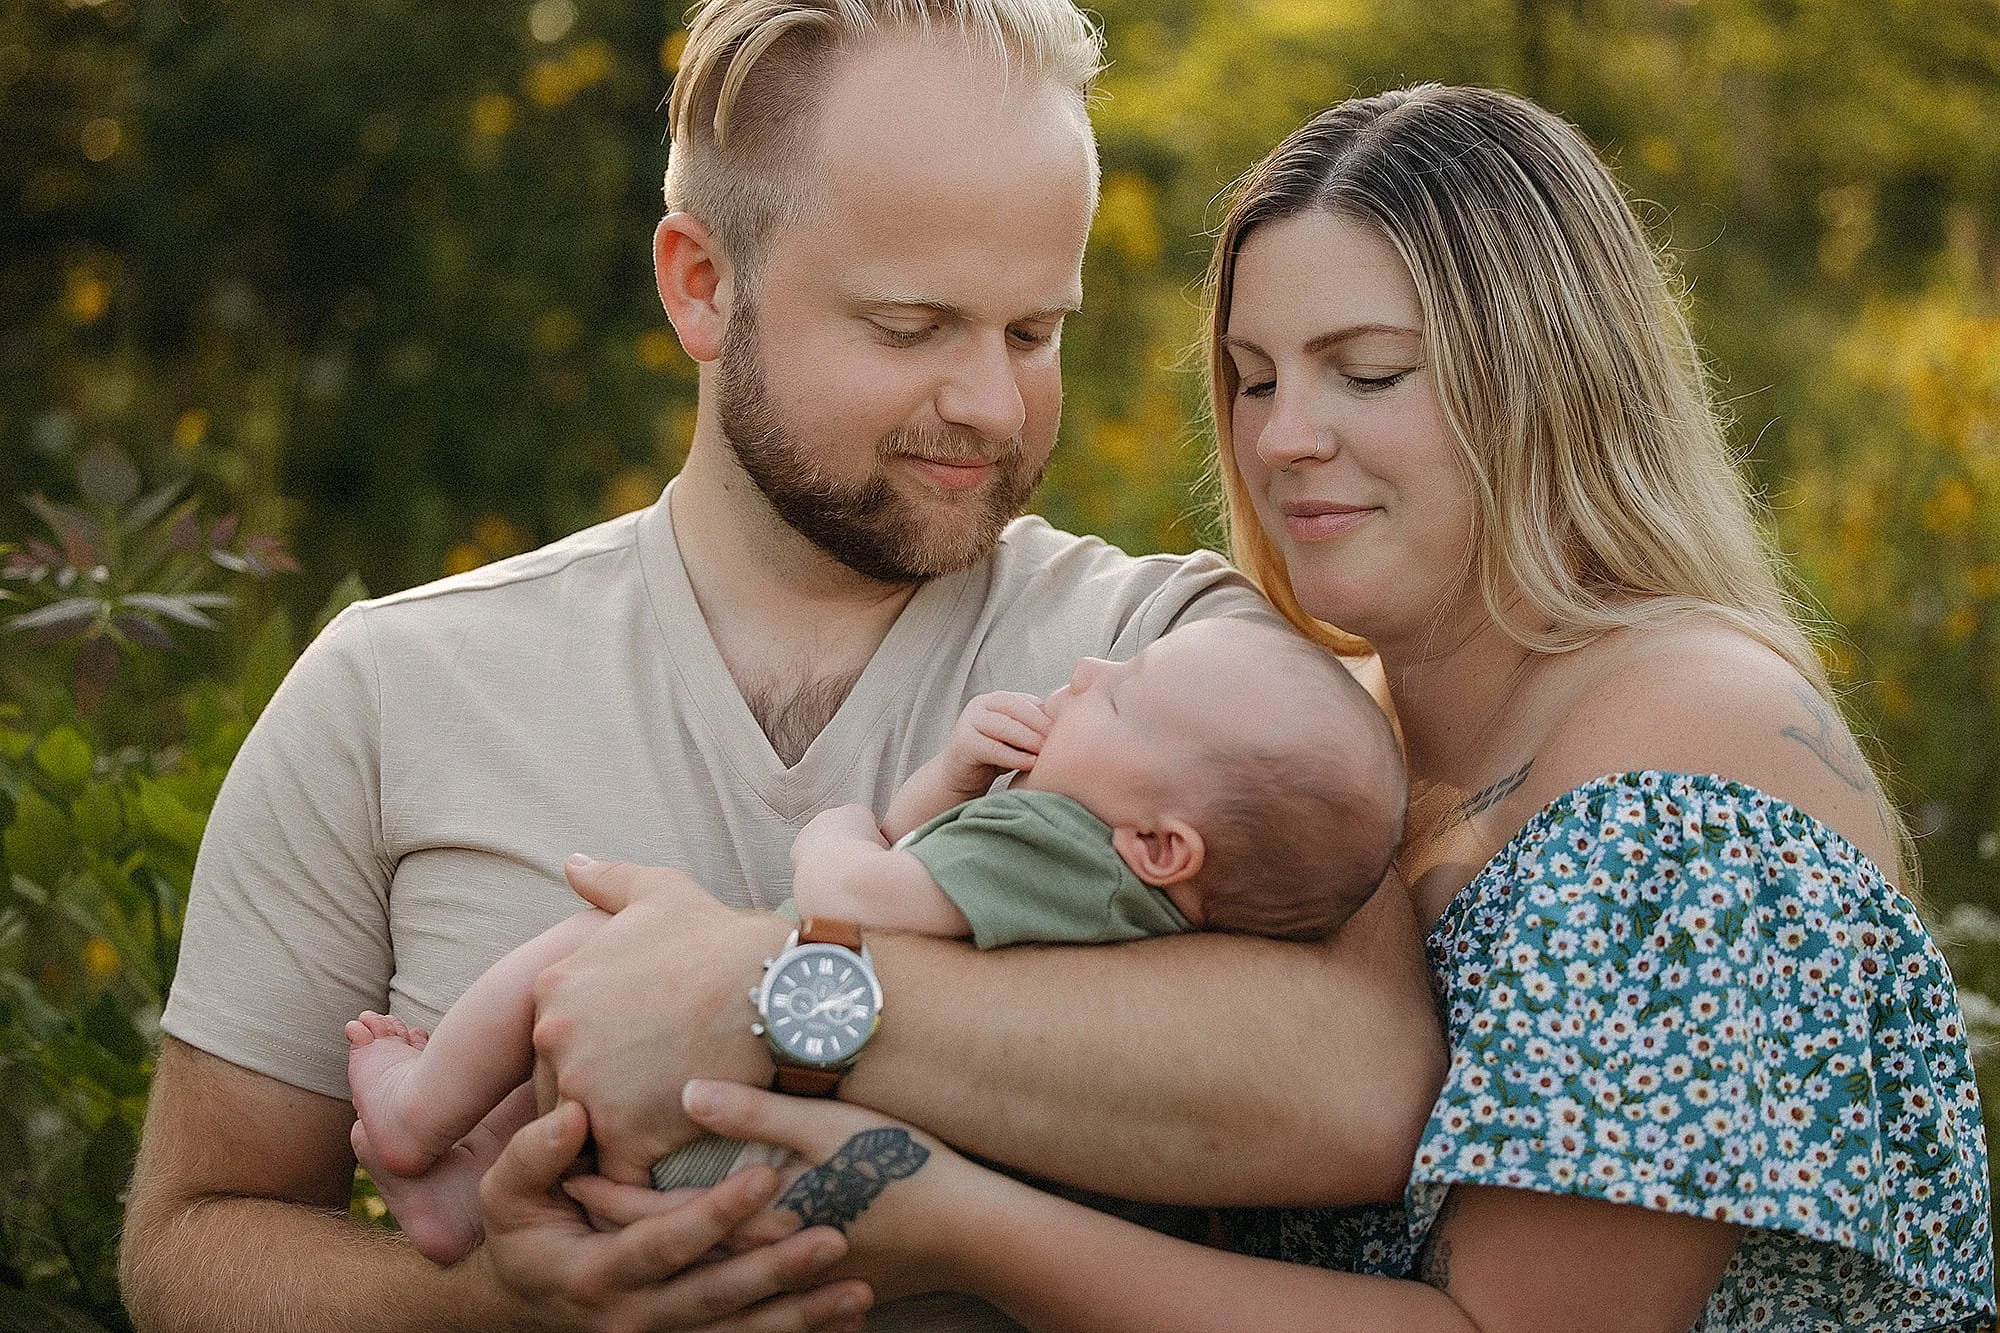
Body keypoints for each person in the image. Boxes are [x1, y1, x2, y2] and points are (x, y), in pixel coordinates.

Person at [571, 83, 1996, 1332]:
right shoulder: (1311, 739)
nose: (1282, 437)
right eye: (1252, 379)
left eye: (1366, 372)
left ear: (1551, 382)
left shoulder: (1691, 739)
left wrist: (953, 1220)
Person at [120, 4, 1446, 1331]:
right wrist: (500, 1303)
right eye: (912, 325)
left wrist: (759, 993)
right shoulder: (389, 689)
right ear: (702, 283)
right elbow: (190, 1246)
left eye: (1035, 332)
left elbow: (1364, 1091)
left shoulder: (1178, 655)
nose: (990, 402)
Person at [343, 615, 1405, 1264]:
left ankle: (421, 1116)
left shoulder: (1059, 844)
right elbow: (930, 864)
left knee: (590, 937)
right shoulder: (1127, 904)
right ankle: (473, 1181)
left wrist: (827, 830)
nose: (1083, 673)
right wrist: (953, 776)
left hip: (741, 1142)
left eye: (1119, 697)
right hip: (836, 1178)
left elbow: (865, 887)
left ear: (1161, 845)